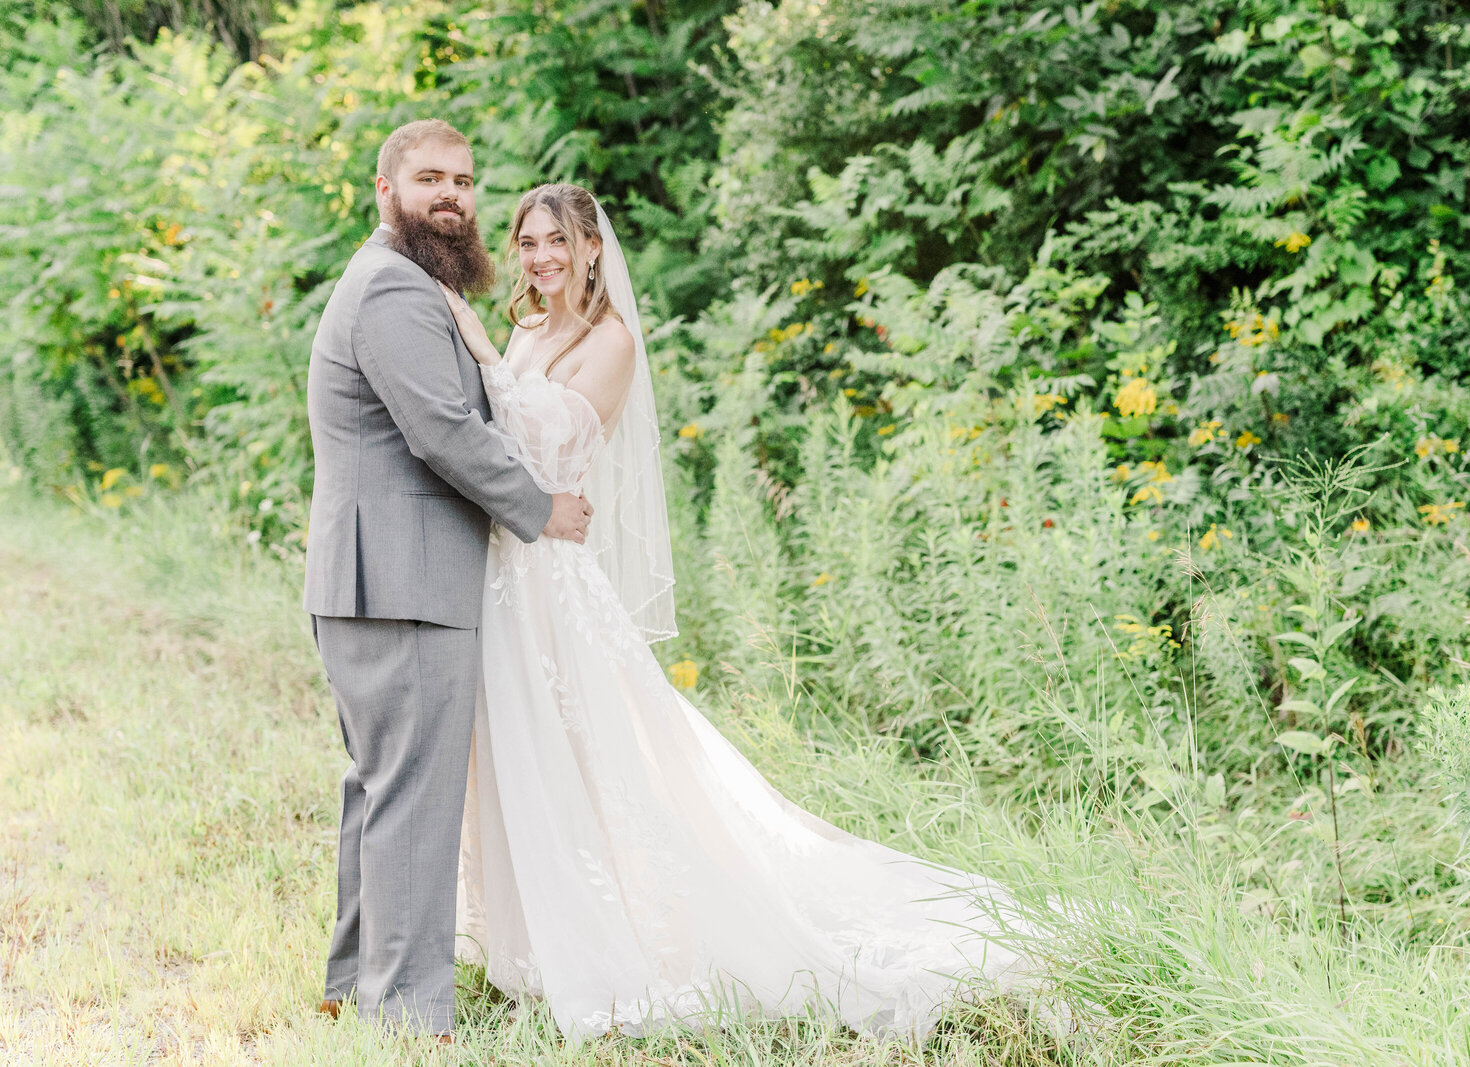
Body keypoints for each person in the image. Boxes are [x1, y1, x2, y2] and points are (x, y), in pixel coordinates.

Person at [440, 183, 1050, 1040]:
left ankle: (618, 936)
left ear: (590, 250)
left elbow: (547, 439)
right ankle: (532, 937)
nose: (539, 258)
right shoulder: (533, 325)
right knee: (529, 754)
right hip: (512, 573)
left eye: (555, 243)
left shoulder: (611, 341)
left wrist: (476, 346)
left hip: (556, 585)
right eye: (528, 242)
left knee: (595, 756)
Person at [302, 120, 594, 1040]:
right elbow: (440, 430)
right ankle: (409, 1014)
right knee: (413, 796)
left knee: (382, 786)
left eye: (465, 181)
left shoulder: (404, 278)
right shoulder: (391, 287)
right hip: (402, 581)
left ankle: (354, 983)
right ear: (384, 189)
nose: (453, 196)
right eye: (430, 178)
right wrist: (541, 506)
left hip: (380, 578)